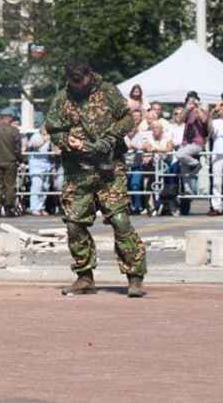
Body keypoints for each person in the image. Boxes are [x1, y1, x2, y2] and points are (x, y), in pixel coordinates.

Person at [44, 61, 147, 298]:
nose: (79, 86)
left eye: (82, 81)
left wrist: (110, 138)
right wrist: (65, 141)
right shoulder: (62, 98)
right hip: (78, 171)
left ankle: (135, 277)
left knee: (120, 220)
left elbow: (127, 119)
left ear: (89, 75)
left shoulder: (108, 91)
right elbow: (53, 128)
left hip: (109, 169)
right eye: (74, 82)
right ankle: (84, 277)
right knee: (74, 223)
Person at [0, 112, 23, 217]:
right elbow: (17, 149)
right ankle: (9, 208)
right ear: (9, 120)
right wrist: (20, 159)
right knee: (10, 186)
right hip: (10, 162)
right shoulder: (15, 131)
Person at [26, 124, 54, 217]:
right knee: (37, 186)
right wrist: (45, 139)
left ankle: (41, 207)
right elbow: (35, 145)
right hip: (36, 165)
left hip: (47, 164)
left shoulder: (50, 136)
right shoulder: (36, 136)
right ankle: (34, 208)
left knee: (45, 187)